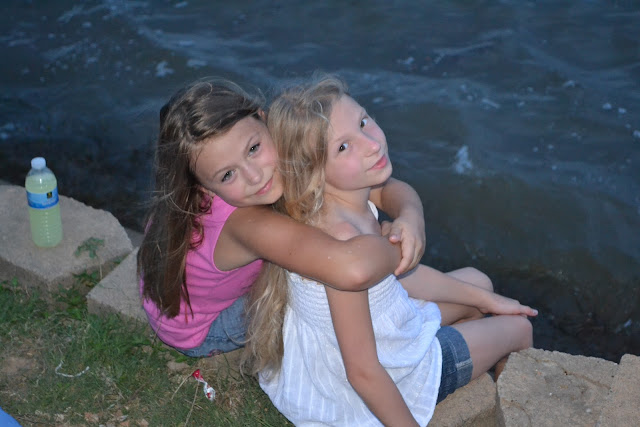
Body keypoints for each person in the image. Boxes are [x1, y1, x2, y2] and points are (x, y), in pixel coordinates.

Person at [246, 74, 537, 426]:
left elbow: (398, 278)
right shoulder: (343, 241)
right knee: (519, 328)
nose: (370, 144)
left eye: (363, 122)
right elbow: (363, 372)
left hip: (383, 334)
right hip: (389, 375)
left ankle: (470, 353)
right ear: (314, 172)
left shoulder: (336, 204)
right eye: (343, 147)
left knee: (480, 283)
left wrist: (487, 300)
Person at [137, 78, 428, 358]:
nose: (255, 176)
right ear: (203, 187)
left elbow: (382, 188)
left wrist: (409, 217)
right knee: (309, 287)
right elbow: (350, 268)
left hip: (176, 289)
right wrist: (395, 244)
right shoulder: (247, 224)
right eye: (228, 175)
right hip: (204, 327)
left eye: (253, 149)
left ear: (263, 119)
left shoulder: (248, 179)